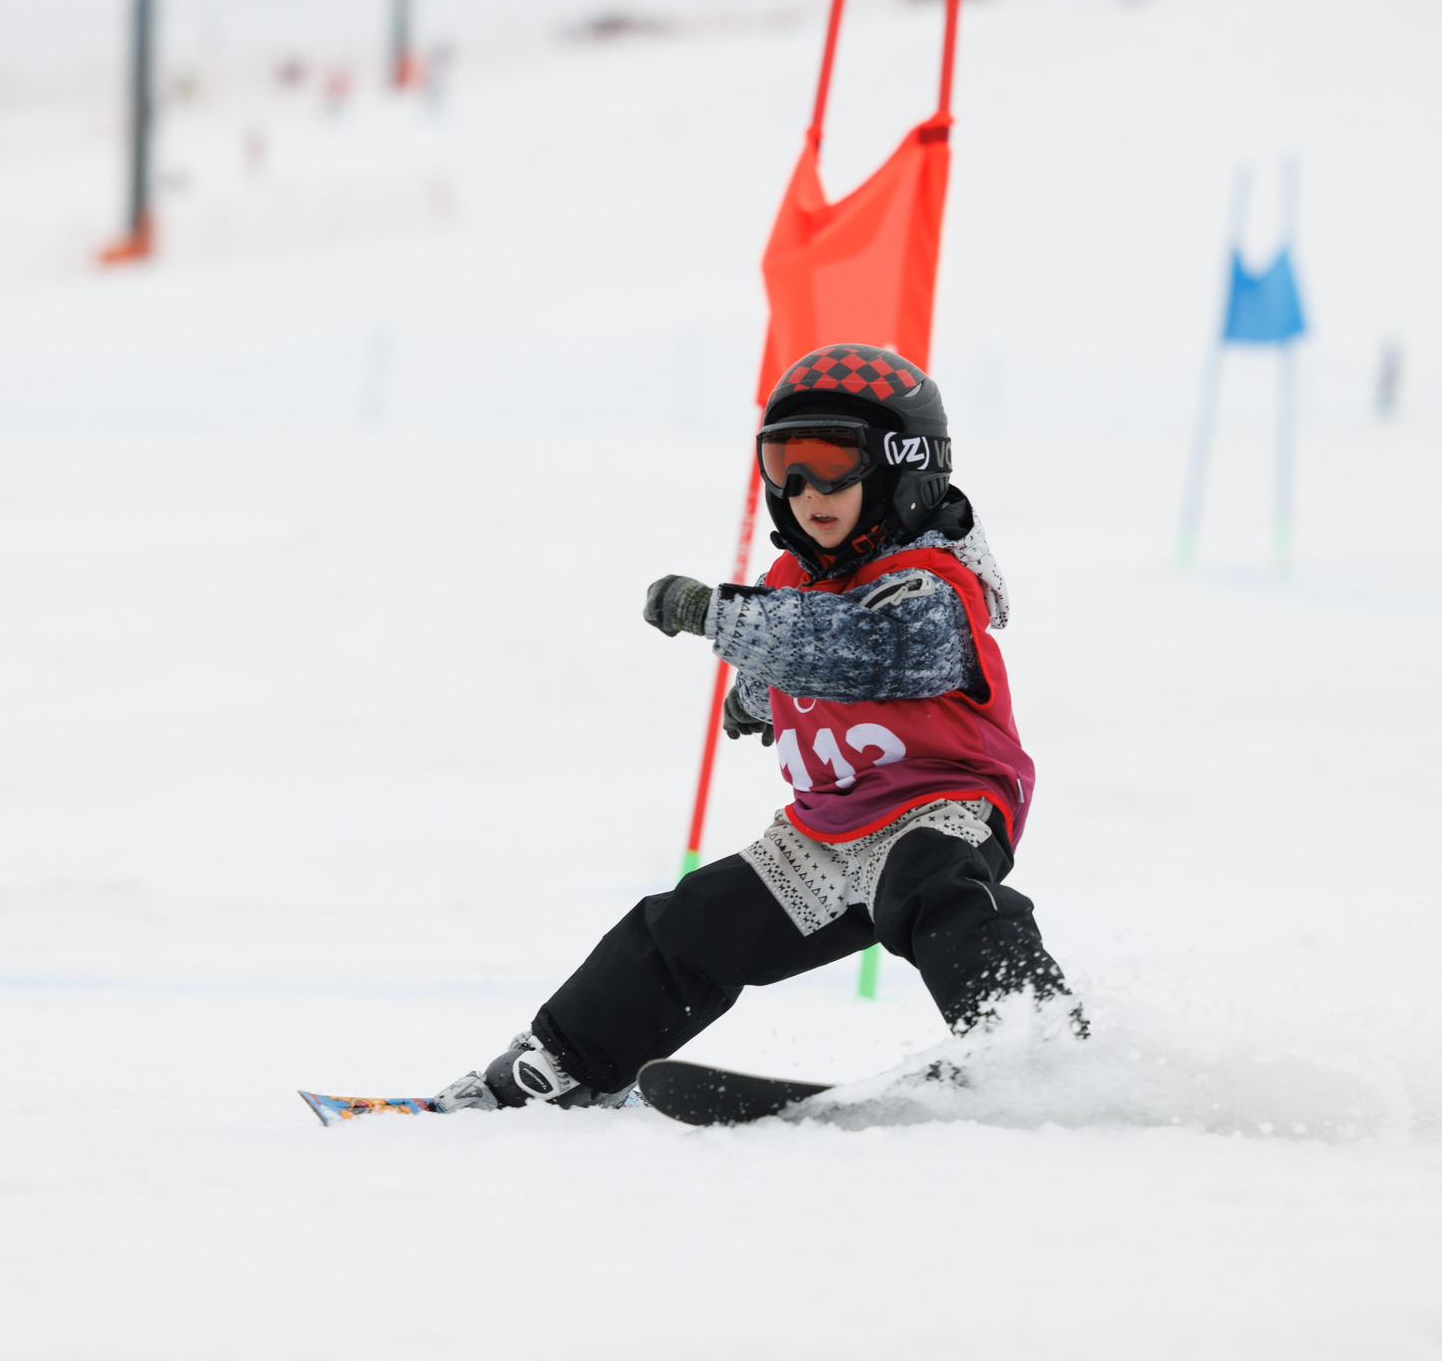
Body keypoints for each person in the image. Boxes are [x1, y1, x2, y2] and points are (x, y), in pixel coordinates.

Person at [441, 344, 1081, 1111]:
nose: (805, 489)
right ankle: (560, 1064)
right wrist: (756, 697)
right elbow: (797, 632)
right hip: (827, 832)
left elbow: (862, 651)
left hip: (941, 807)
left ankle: (1035, 1047)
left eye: (829, 461)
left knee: (932, 888)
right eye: (783, 464)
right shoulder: (798, 575)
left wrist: (714, 615)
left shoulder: (931, 585)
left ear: (903, 467)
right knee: (693, 923)